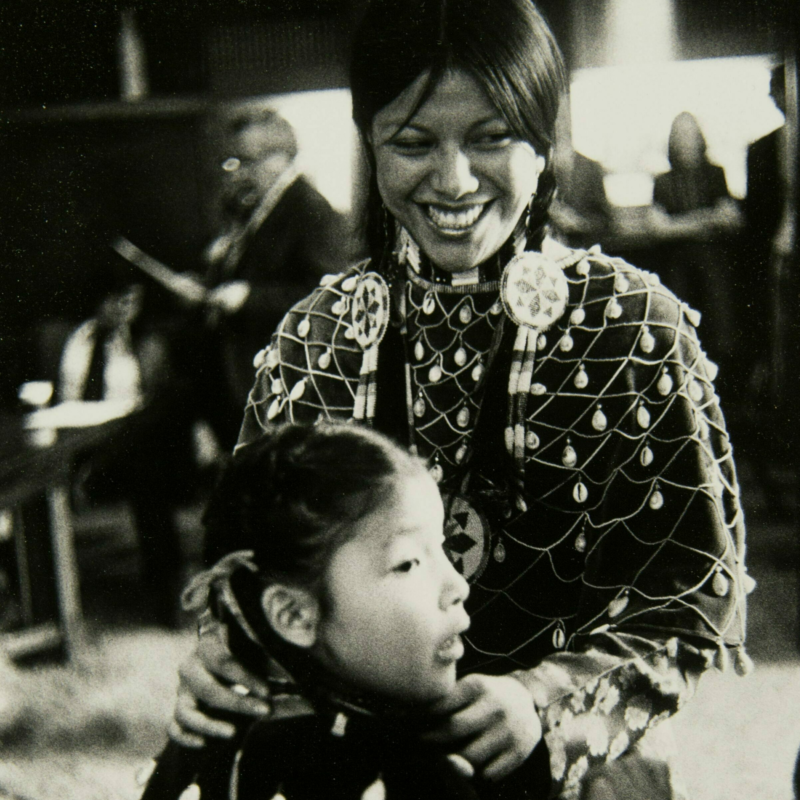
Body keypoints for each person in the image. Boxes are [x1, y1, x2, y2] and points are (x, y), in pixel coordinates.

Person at [171, 2, 752, 798]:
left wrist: (542, 700)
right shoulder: (315, 339)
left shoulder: (632, 329)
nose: (452, 181)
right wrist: (224, 658)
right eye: (412, 143)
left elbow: (688, 604)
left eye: (491, 138)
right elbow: (252, 571)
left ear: (543, 140)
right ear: (369, 142)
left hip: (580, 766)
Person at [142, 422, 475, 800]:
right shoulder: (409, 772)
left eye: (443, 548)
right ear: (294, 616)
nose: (457, 587)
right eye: (408, 564)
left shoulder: (196, 746)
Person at [188, 109, 350, 450]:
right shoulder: (253, 209)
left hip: (285, 385)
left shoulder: (310, 210)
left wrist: (248, 298)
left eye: (247, 161)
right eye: (232, 162)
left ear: (283, 157)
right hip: (246, 378)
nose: (238, 174)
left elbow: (329, 299)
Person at [59, 270, 189, 626]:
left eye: (132, 302)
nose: (125, 310)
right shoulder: (78, 340)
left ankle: (165, 595)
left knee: (149, 474)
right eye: (117, 301)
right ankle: (48, 597)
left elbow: (155, 407)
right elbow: (66, 392)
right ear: (99, 302)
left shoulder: (145, 343)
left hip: (128, 445)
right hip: (79, 438)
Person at [649, 112, 742, 395]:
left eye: (690, 135)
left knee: (720, 326)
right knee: (682, 330)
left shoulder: (716, 173)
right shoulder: (663, 181)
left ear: (699, 138)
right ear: (672, 143)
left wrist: (682, 223)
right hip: (679, 266)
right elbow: (658, 228)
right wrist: (705, 220)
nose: (685, 142)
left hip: (714, 264)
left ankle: (723, 393)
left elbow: (733, 219)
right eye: (679, 136)